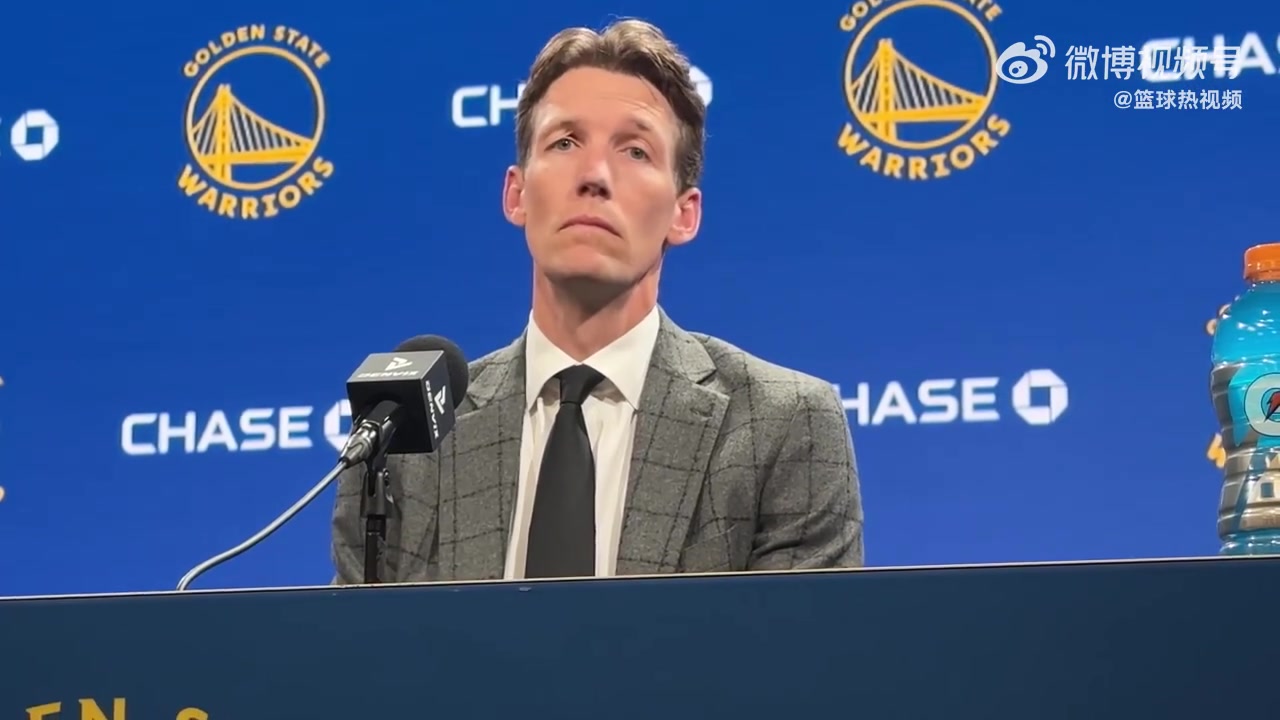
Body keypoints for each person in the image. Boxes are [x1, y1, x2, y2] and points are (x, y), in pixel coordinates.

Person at [330, 19, 864, 583]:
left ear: (684, 213)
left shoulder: (783, 425)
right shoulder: (406, 438)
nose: (594, 175)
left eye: (635, 150)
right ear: (516, 194)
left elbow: (794, 641)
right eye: (565, 142)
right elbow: (367, 641)